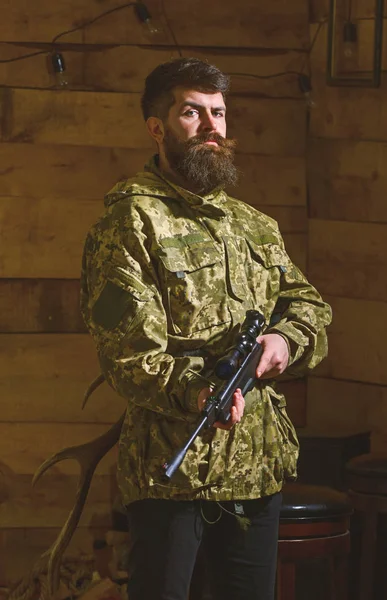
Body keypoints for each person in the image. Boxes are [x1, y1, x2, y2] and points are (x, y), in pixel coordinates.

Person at [80, 57, 332, 600]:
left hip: (255, 471)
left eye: (218, 112)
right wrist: (199, 392)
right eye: (193, 113)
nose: (213, 126)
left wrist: (284, 342)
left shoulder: (253, 225)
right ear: (158, 126)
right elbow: (128, 356)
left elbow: (310, 306)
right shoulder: (129, 221)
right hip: (172, 470)